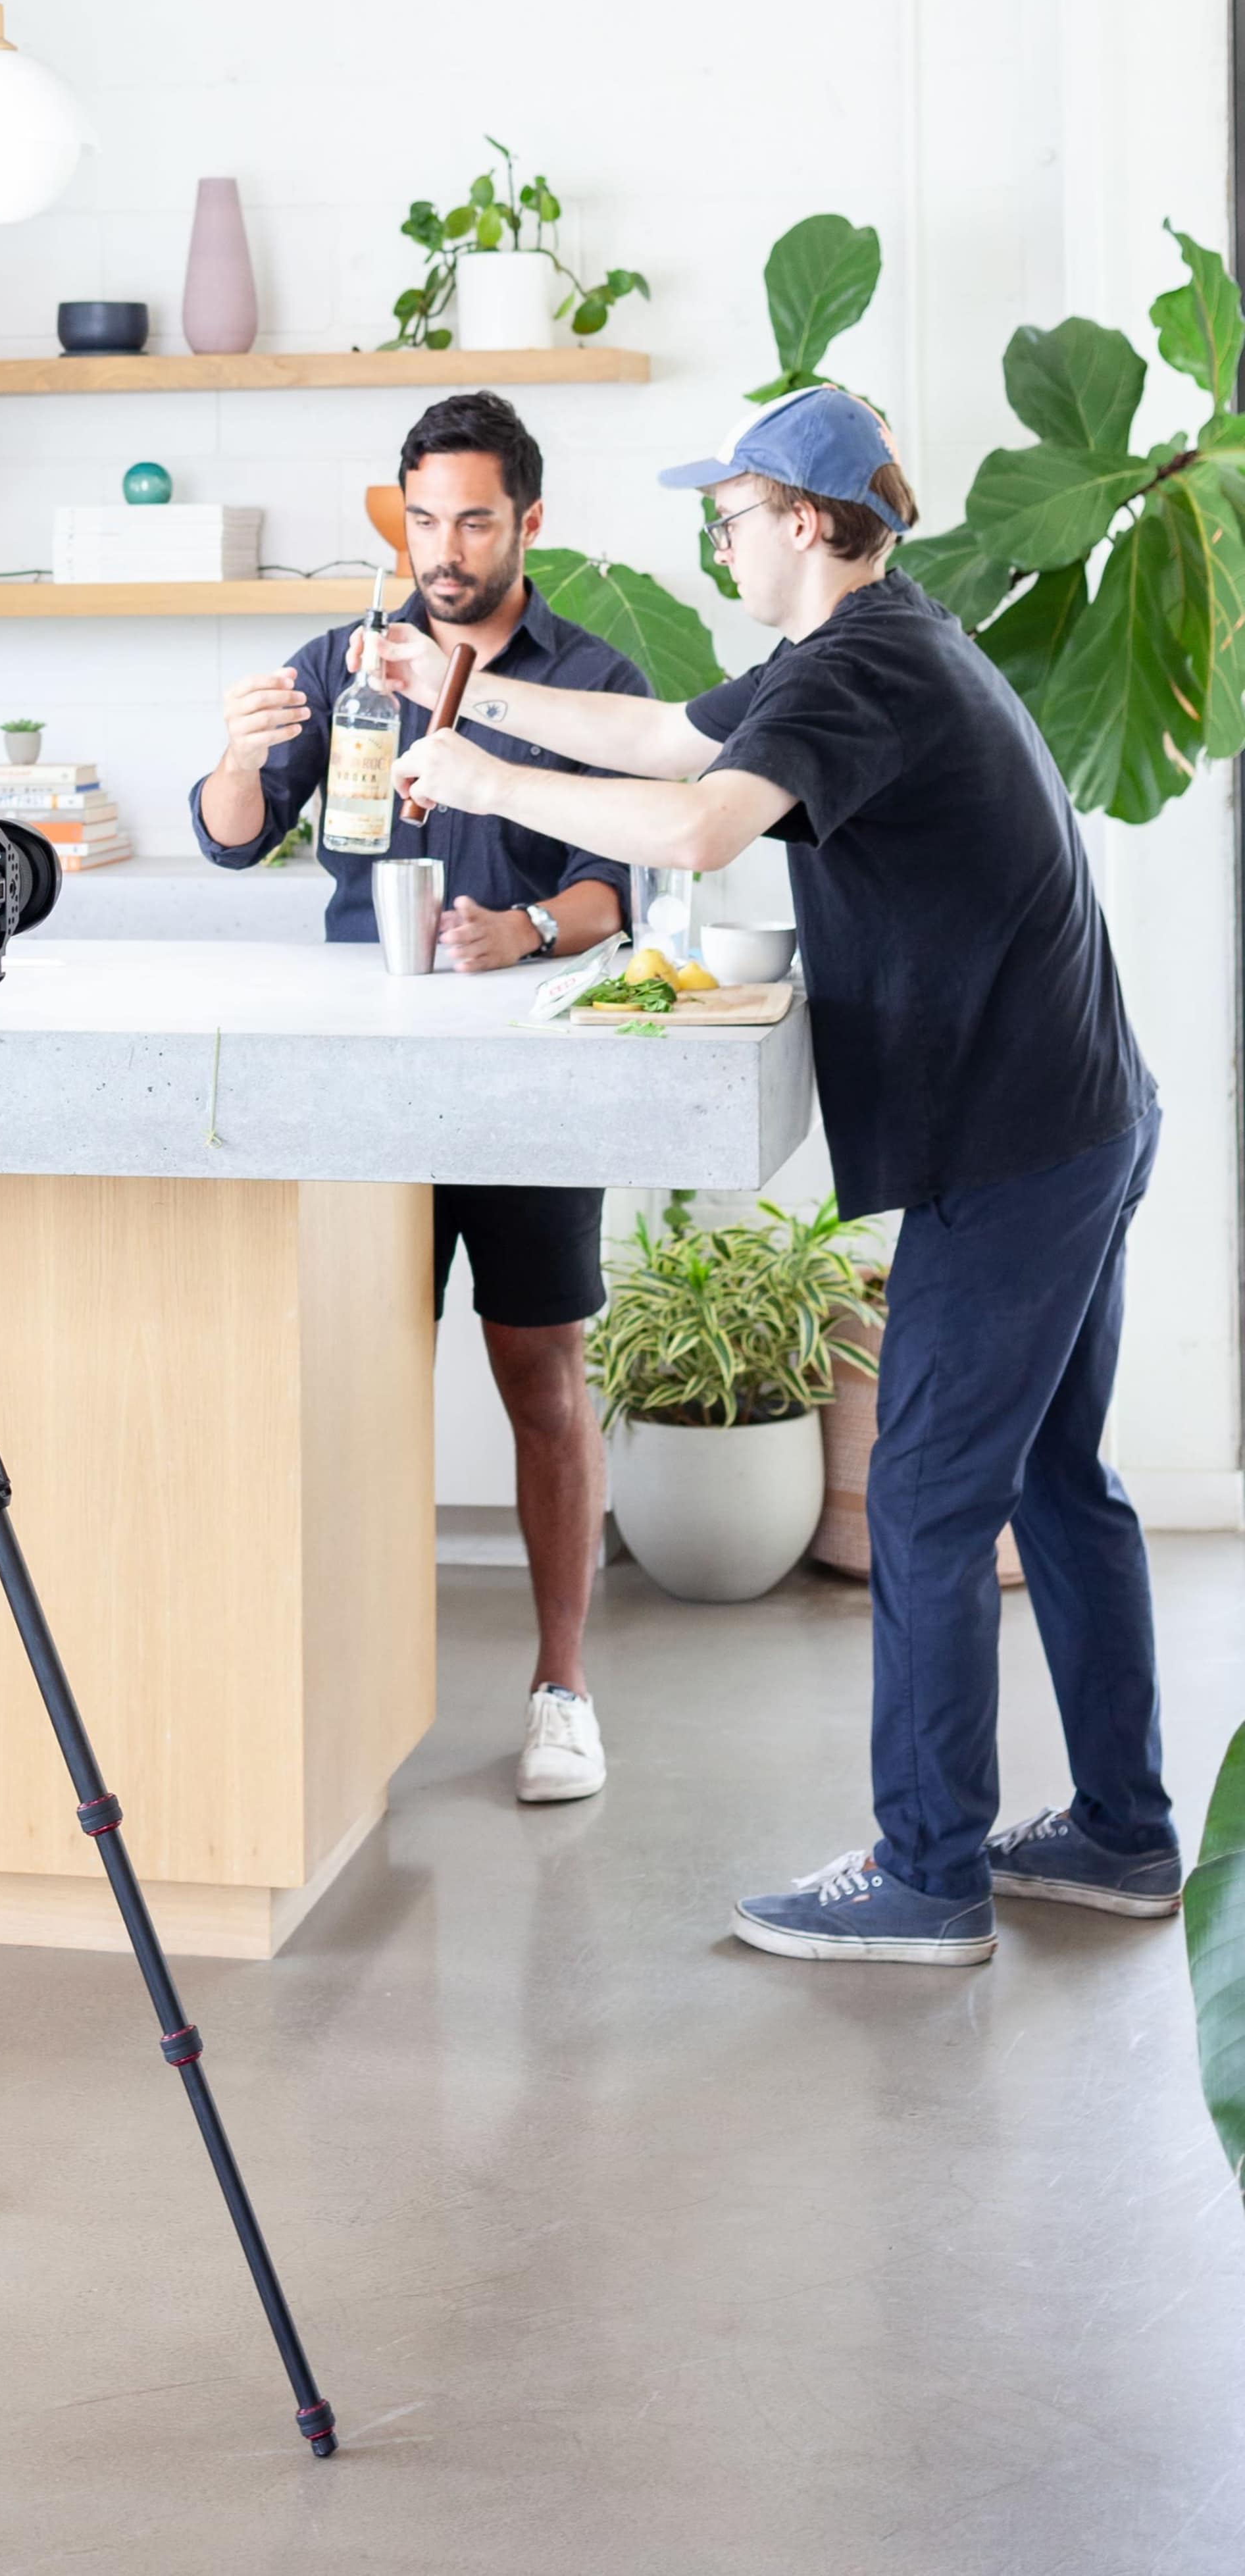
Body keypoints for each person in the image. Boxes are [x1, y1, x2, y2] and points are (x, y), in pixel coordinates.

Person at [388, 384, 1173, 1965]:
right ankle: (1118, 1831)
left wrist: (477, 781)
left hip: (1014, 1143)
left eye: (731, 514)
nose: (718, 537)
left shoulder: (864, 665)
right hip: (1068, 1111)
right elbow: (670, 731)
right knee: (1054, 1478)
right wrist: (459, 688)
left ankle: (926, 1871)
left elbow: (688, 826)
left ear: (805, 522)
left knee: (927, 1495)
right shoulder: (867, 645)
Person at [191, 389, 646, 1805]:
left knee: (541, 1382)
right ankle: (341, 1693)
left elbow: (613, 887)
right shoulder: (346, 662)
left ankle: (561, 1686)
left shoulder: (595, 681)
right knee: (348, 1379)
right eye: (427, 518)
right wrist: (233, 747)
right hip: (364, 1078)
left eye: (476, 519)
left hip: (526, 1080)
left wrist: (530, 932)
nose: (447, 548)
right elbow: (234, 838)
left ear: (530, 525)